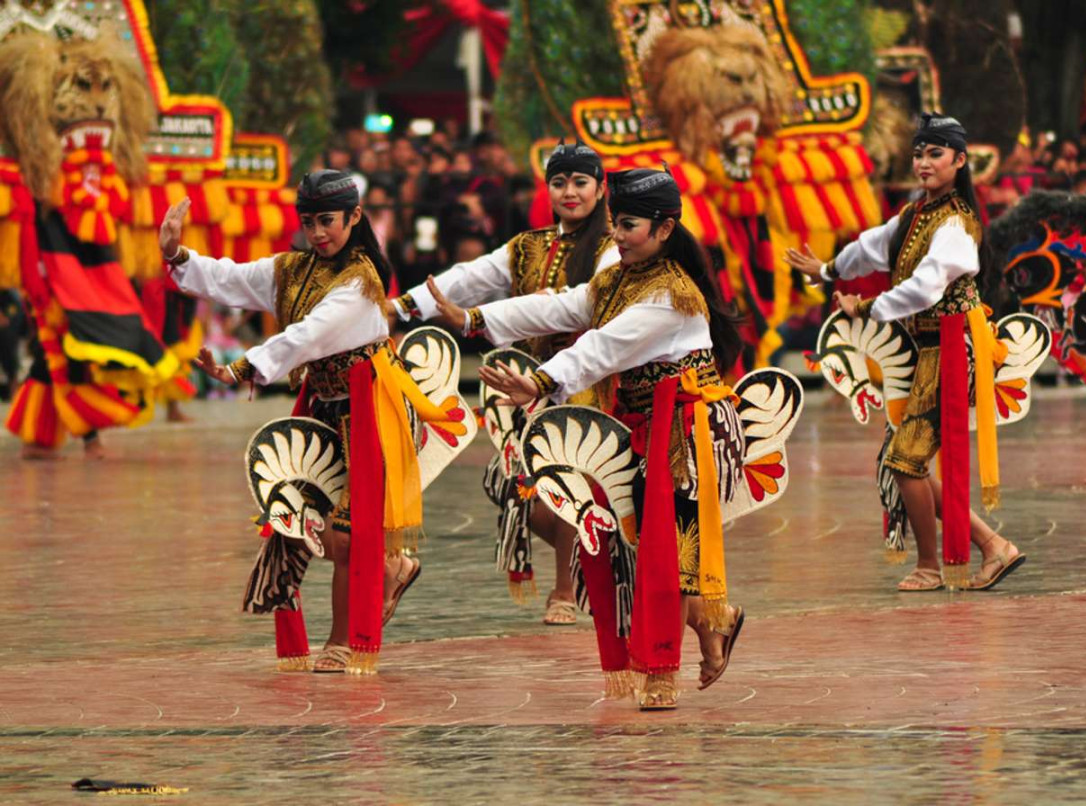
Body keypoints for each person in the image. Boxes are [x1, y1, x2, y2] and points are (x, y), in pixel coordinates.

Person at [439, 166, 747, 710]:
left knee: (665, 551)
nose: (618, 235)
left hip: (684, 428)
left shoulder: (671, 295)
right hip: (636, 421)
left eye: (628, 225)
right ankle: (715, 620)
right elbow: (562, 306)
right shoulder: (619, 278)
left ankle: (660, 671)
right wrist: (476, 318)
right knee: (637, 546)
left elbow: (604, 346)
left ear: (665, 228)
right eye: (616, 224)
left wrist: (538, 380)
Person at [160, 169, 450, 674]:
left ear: (355, 217)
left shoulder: (360, 281)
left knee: (343, 537)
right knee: (296, 521)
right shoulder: (294, 268)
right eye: (310, 222)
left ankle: (343, 640)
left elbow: (307, 336)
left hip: (373, 406)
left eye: (329, 222)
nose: (318, 233)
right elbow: (235, 278)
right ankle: (392, 568)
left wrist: (240, 368)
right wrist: (177, 256)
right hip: (326, 404)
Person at [788, 115, 1023, 593]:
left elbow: (924, 288)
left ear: (960, 161)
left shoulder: (956, 223)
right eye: (919, 153)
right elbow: (874, 247)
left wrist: (869, 306)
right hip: (931, 350)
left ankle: (933, 564)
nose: (923, 163)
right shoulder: (916, 215)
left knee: (904, 460)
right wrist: (829, 269)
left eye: (935, 154)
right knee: (905, 459)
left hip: (956, 349)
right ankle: (992, 546)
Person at [392, 141, 619, 625]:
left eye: (581, 182)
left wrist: (477, 319)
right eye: (559, 183)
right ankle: (596, 556)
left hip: (582, 378)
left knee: (565, 480)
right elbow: (469, 277)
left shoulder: (612, 249)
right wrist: (401, 308)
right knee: (509, 485)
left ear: (601, 189)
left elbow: (577, 304)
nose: (570, 192)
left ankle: (564, 590)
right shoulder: (527, 246)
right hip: (521, 383)